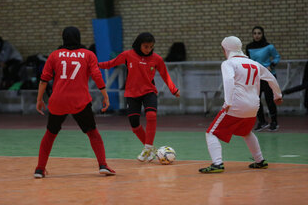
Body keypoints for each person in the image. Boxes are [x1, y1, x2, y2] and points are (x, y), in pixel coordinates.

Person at [34, 26, 116, 178]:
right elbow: (97, 75)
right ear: (79, 38)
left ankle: (39, 169)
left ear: (63, 38)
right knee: (92, 133)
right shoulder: (88, 54)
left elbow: (44, 80)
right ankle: (103, 165)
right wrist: (105, 95)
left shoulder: (54, 55)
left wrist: (39, 100)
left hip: (58, 101)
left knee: (50, 134)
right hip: (80, 101)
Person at [199, 36, 283, 173]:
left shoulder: (228, 63)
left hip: (236, 105)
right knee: (246, 132)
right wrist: (278, 95)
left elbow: (228, 80)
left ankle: (217, 163)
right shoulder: (254, 63)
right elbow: (271, 78)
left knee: (211, 133)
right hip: (253, 107)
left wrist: (228, 102)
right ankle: (260, 161)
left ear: (226, 49)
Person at [98, 32, 180, 162]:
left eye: (151, 47)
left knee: (151, 116)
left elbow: (165, 75)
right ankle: (151, 150)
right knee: (134, 124)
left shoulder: (156, 59)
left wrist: (173, 89)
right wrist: (94, 65)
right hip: (132, 93)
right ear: (138, 44)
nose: (149, 49)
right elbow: (110, 64)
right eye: (146, 46)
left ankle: (147, 148)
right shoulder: (127, 55)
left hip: (149, 92)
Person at [246, 26, 281, 131]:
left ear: (263, 34)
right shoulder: (249, 47)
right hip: (256, 76)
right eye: (255, 33)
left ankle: (274, 122)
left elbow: (277, 57)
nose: (257, 35)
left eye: (259, 33)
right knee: (255, 100)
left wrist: (272, 65)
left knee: (269, 99)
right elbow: (249, 60)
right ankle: (262, 121)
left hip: (268, 76)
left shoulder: (269, 46)